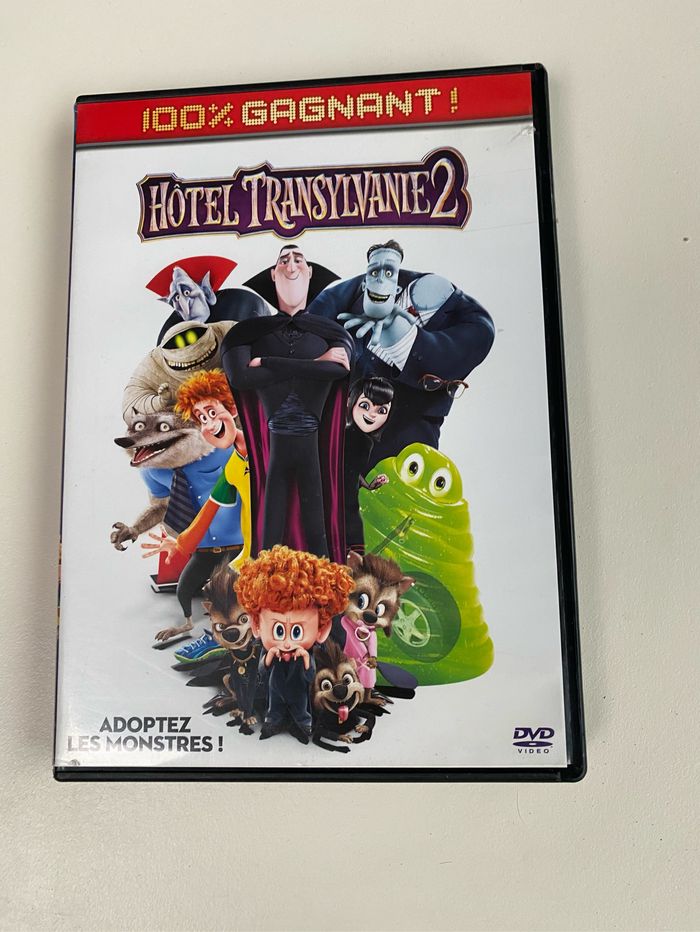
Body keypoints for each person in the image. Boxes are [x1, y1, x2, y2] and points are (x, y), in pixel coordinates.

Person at [307, 239, 495, 465]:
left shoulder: (475, 325)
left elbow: (444, 360)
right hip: (346, 420)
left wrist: (401, 335)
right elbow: (319, 312)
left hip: (409, 429)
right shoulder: (371, 283)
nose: (380, 278)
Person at [220, 254, 353, 561]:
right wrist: (316, 364)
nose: (291, 265)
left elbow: (338, 370)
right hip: (277, 440)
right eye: (284, 261)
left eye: (298, 260)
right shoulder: (248, 332)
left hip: (309, 439)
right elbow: (240, 377)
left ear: (310, 272)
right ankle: (264, 583)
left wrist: (269, 362)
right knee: (271, 527)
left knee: (316, 527)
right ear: (272, 273)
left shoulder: (330, 331)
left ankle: (323, 585)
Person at [141, 369, 250, 642]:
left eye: (212, 412)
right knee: (188, 589)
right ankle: (189, 626)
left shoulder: (262, 449)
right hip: (239, 553)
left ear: (232, 409)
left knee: (229, 596)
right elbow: (209, 510)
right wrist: (179, 543)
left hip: (260, 551)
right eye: (202, 418)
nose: (209, 424)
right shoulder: (232, 467)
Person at [234, 545, 353, 742]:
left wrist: (305, 658)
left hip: (299, 694)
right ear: (256, 626)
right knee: (274, 711)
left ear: (321, 630)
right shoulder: (269, 651)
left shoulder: (308, 654)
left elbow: (310, 677)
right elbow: (263, 672)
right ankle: (272, 725)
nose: (287, 643)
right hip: (275, 692)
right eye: (279, 631)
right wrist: (269, 656)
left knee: (301, 711)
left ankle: (304, 727)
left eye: (297, 632)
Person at [343, 376, 394, 554]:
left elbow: (352, 471)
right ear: (350, 402)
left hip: (350, 500)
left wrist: (369, 485)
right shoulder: (342, 434)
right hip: (335, 499)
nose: (372, 414)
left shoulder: (367, 442)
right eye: (365, 405)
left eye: (381, 410)